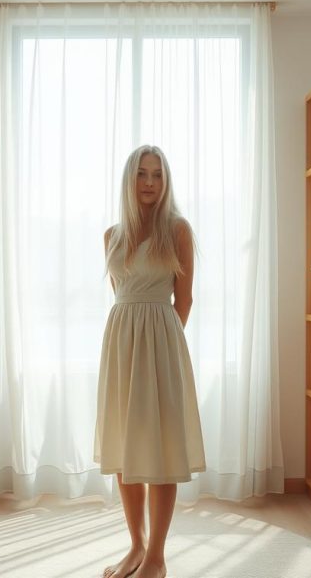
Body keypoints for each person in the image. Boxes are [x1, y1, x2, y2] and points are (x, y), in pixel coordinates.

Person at [95, 145, 206, 578]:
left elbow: (185, 300)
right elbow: (122, 295)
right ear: (130, 179)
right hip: (121, 346)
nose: (149, 183)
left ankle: (157, 557)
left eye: (157, 175)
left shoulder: (177, 230)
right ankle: (136, 547)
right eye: (142, 174)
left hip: (161, 346)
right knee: (125, 446)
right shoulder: (111, 236)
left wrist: (163, 349)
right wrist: (135, 340)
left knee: (160, 450)